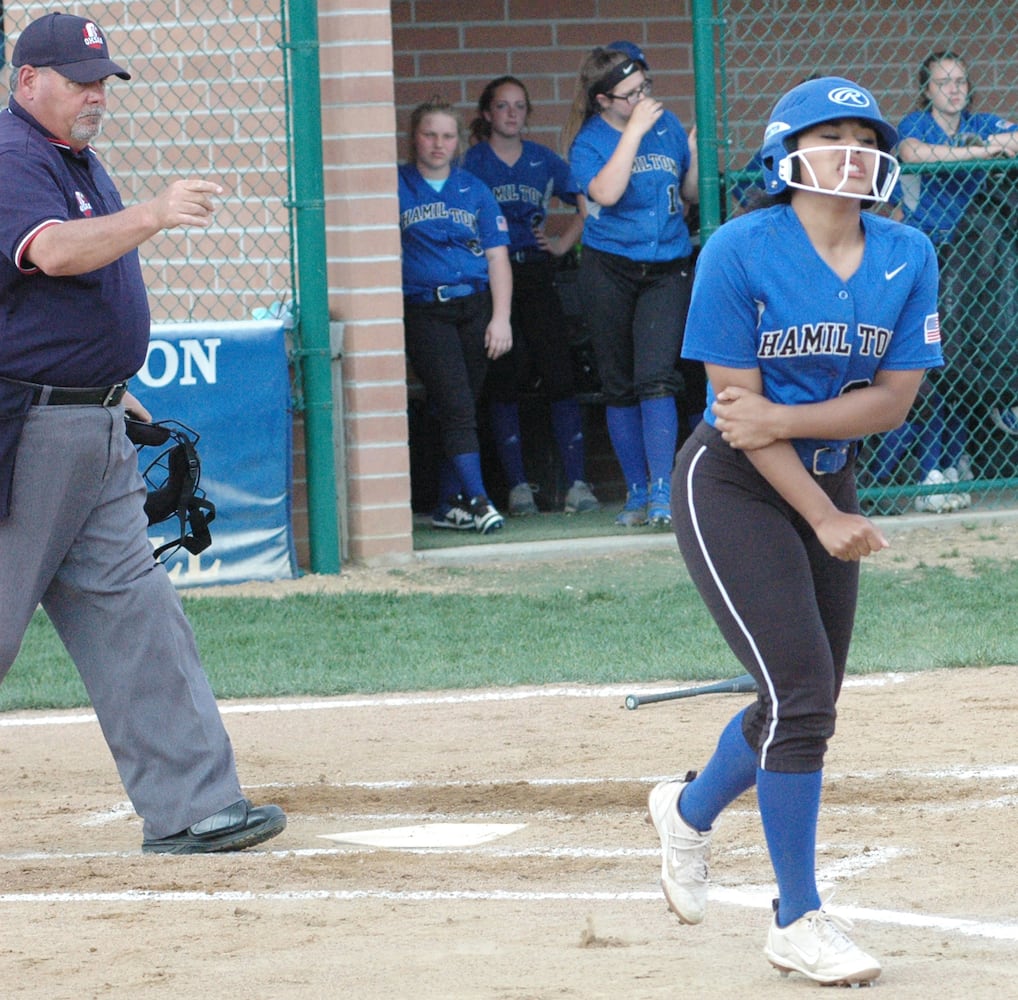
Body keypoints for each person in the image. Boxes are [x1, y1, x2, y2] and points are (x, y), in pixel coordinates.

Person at [650, 78, 942, 984]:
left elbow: (894, 401)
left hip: (822, 475)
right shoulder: (740, 247)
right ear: (787, 154)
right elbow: (736, 416)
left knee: (796, 702)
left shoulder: (907, 249)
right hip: (732, 484)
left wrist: (792, 426)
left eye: (867, 134)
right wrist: (819, 511)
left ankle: (688, 811)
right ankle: (797, 918)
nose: (854, 148)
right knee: (805, 696)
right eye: (832, 133)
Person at [0, 12, 286, 853]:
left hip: (87, 426)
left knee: (138, 614)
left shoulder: (71, 161)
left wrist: (111, 393)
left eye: (102, 80)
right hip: (24, 435)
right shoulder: (13, 157)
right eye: (80, 80)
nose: (97, 95)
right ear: (27, 82)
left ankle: (195, 806)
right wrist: (156, 212)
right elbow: (50, 255)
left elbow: (61, 304)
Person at [562, 42, 701, 527]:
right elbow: (605, 191)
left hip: (665, 265)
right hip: (609, 267)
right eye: (629, 93)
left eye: (646, 87)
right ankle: (637, 492)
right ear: (603, 100)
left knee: (657, 377)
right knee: (618, 383)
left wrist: (694, 154)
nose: (642, 98)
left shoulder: (664, 125)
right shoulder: (590, 139)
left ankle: (664, 491)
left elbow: (688, 194)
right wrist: (634, 131)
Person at [463, 76, 600, 517]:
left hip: (537, 273)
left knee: (560, 374)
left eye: (519, 106)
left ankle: (577, 483)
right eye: (502, 106)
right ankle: (518, 487)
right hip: (493, 280)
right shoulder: (473, 163)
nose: (511, 114)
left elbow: (586, 206)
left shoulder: (542, 160)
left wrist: (561, 244)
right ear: (487, 114)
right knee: (503, 380)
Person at [896, 51, 1018, 495]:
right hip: (931, 250)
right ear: (926, 89)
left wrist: (982, 144)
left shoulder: (982, 121)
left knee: (966, 360)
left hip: (980, 258)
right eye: (944, 82)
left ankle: (958, 458)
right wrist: (981, 152)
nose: (954, 89)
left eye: (961, 81)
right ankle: (934, 465)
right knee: (935, 362)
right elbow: (916, 154)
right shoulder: (915, 123)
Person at [399, 98, 512, 534]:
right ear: (414, 137)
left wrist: (500, 318)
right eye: (430, 134)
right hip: (427, 309)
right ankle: (480, 501)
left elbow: (498, 258)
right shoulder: (397, 185)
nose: (438, 143)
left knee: (460, 409)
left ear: (460, 141)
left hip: (475, 307)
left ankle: (450, 504)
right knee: (458, 406)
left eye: (448, 135)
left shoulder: (475, 190)